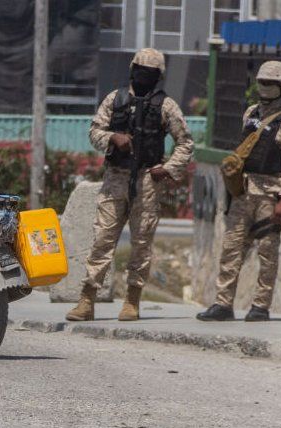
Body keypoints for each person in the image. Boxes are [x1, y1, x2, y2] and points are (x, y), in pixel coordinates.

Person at [65, 48, 194, 323]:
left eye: (150, 72)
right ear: (132, 69)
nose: (143, 76)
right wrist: (113, 138)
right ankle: (87, 300)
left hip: (148, 180)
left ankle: (132, 300)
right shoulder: (116, 99)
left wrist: (167, 168)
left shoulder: (166, 106)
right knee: (102, 239)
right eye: (140, 70)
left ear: (158, 76)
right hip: (115, 178)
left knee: (141, 243)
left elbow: (185, 143)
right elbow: (94, 131)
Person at [196, 60, 281, 322]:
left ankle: (260, 306)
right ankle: (223, 304)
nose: (265, 87)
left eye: (271, 83)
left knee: (267, 252)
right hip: (243, 192)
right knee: (231, 248)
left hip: (270, 194)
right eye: (262, 82)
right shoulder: (251, 114)